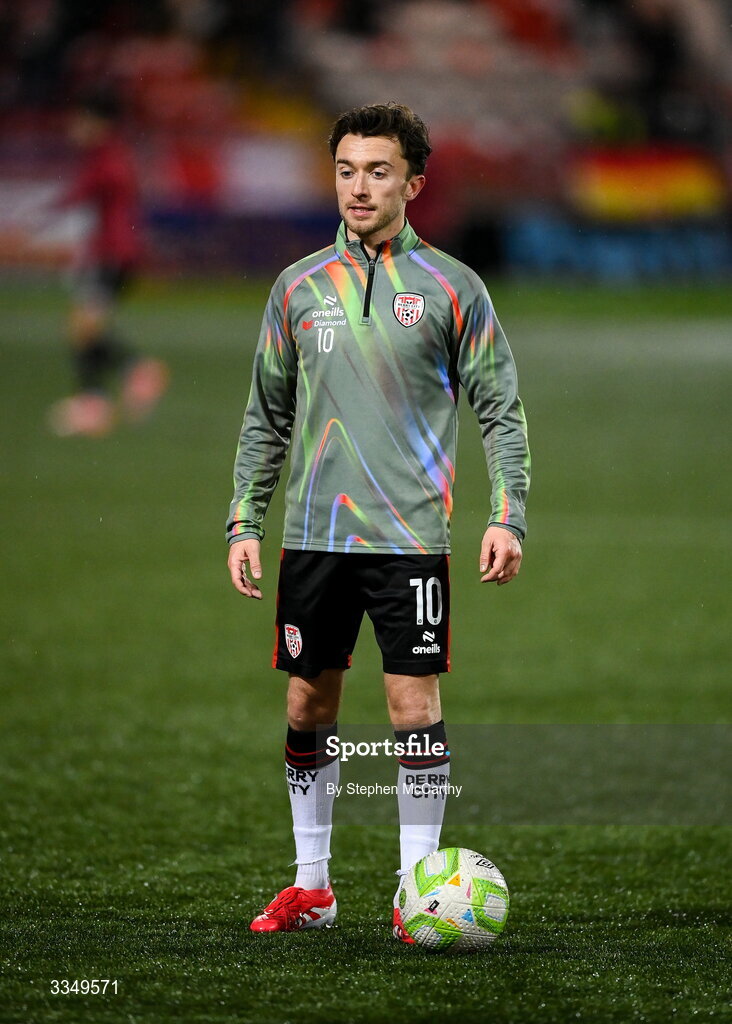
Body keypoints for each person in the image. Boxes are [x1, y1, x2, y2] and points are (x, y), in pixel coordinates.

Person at [226, 102, 530, 939]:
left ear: (414, 184)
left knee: (411, 704)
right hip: (315, 534)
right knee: (306, 702)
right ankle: (313, 887)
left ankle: (414, 891)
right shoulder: (297, 287)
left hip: (409, 537)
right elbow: (266, 416)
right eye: (346, 170)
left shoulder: (453, 288)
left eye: (378, 171)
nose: (359, 187)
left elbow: (501, 410)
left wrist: (508, 515)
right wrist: (245, 521)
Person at [47, 89, 168, 437]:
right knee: (85, 327)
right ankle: (115, 386)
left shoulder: (107, 159)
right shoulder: (110, 156)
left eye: (80, 120)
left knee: (85, 327)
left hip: (112, 255)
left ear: (97, 123)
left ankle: (104, 395)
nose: (73, 127)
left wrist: (34, 220)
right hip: (117, 254)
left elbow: (82, 193)